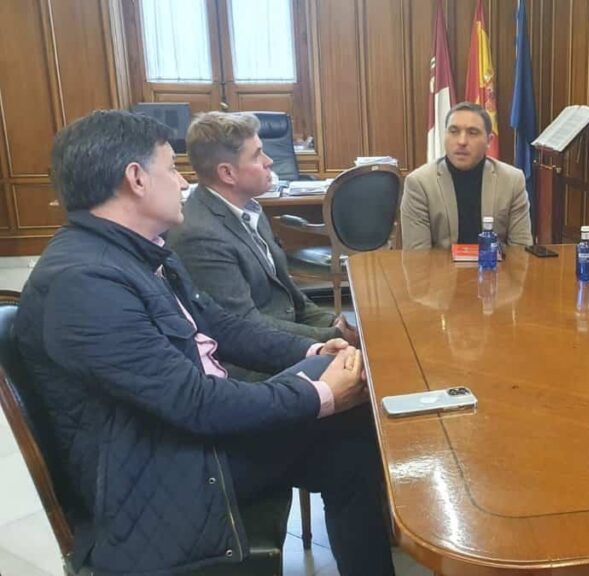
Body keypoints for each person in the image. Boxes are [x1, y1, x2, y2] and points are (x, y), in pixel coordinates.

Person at [15, 110, 395, 575]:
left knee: (350, 449)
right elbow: (194, 402)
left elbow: (224, 327)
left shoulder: (137, 250)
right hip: (155, 475)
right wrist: (319, 393)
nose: (183, 183)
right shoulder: (83, 283)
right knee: (347, 396)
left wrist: (310, 351)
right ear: (136, 178)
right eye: (171, 169)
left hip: (181, 444)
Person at [167, 112, 357, 379]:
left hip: (290, 342)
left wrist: (332, 323)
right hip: (253, 367)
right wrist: (331, 335)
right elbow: (244, 325)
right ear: (227, 173)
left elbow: (290, 295)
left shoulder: (249, 208)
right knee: (372, 375)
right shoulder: (200, 235)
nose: (269, 161)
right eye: (257, 155)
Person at [401, 101, 533, 249]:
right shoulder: (419, 183)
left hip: (495, 263)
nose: (462, 141)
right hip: (439, 265)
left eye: (472, 132)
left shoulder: (512, 180)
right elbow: (418, 255)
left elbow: (521, 250)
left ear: (489, 141)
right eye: (454, 131)